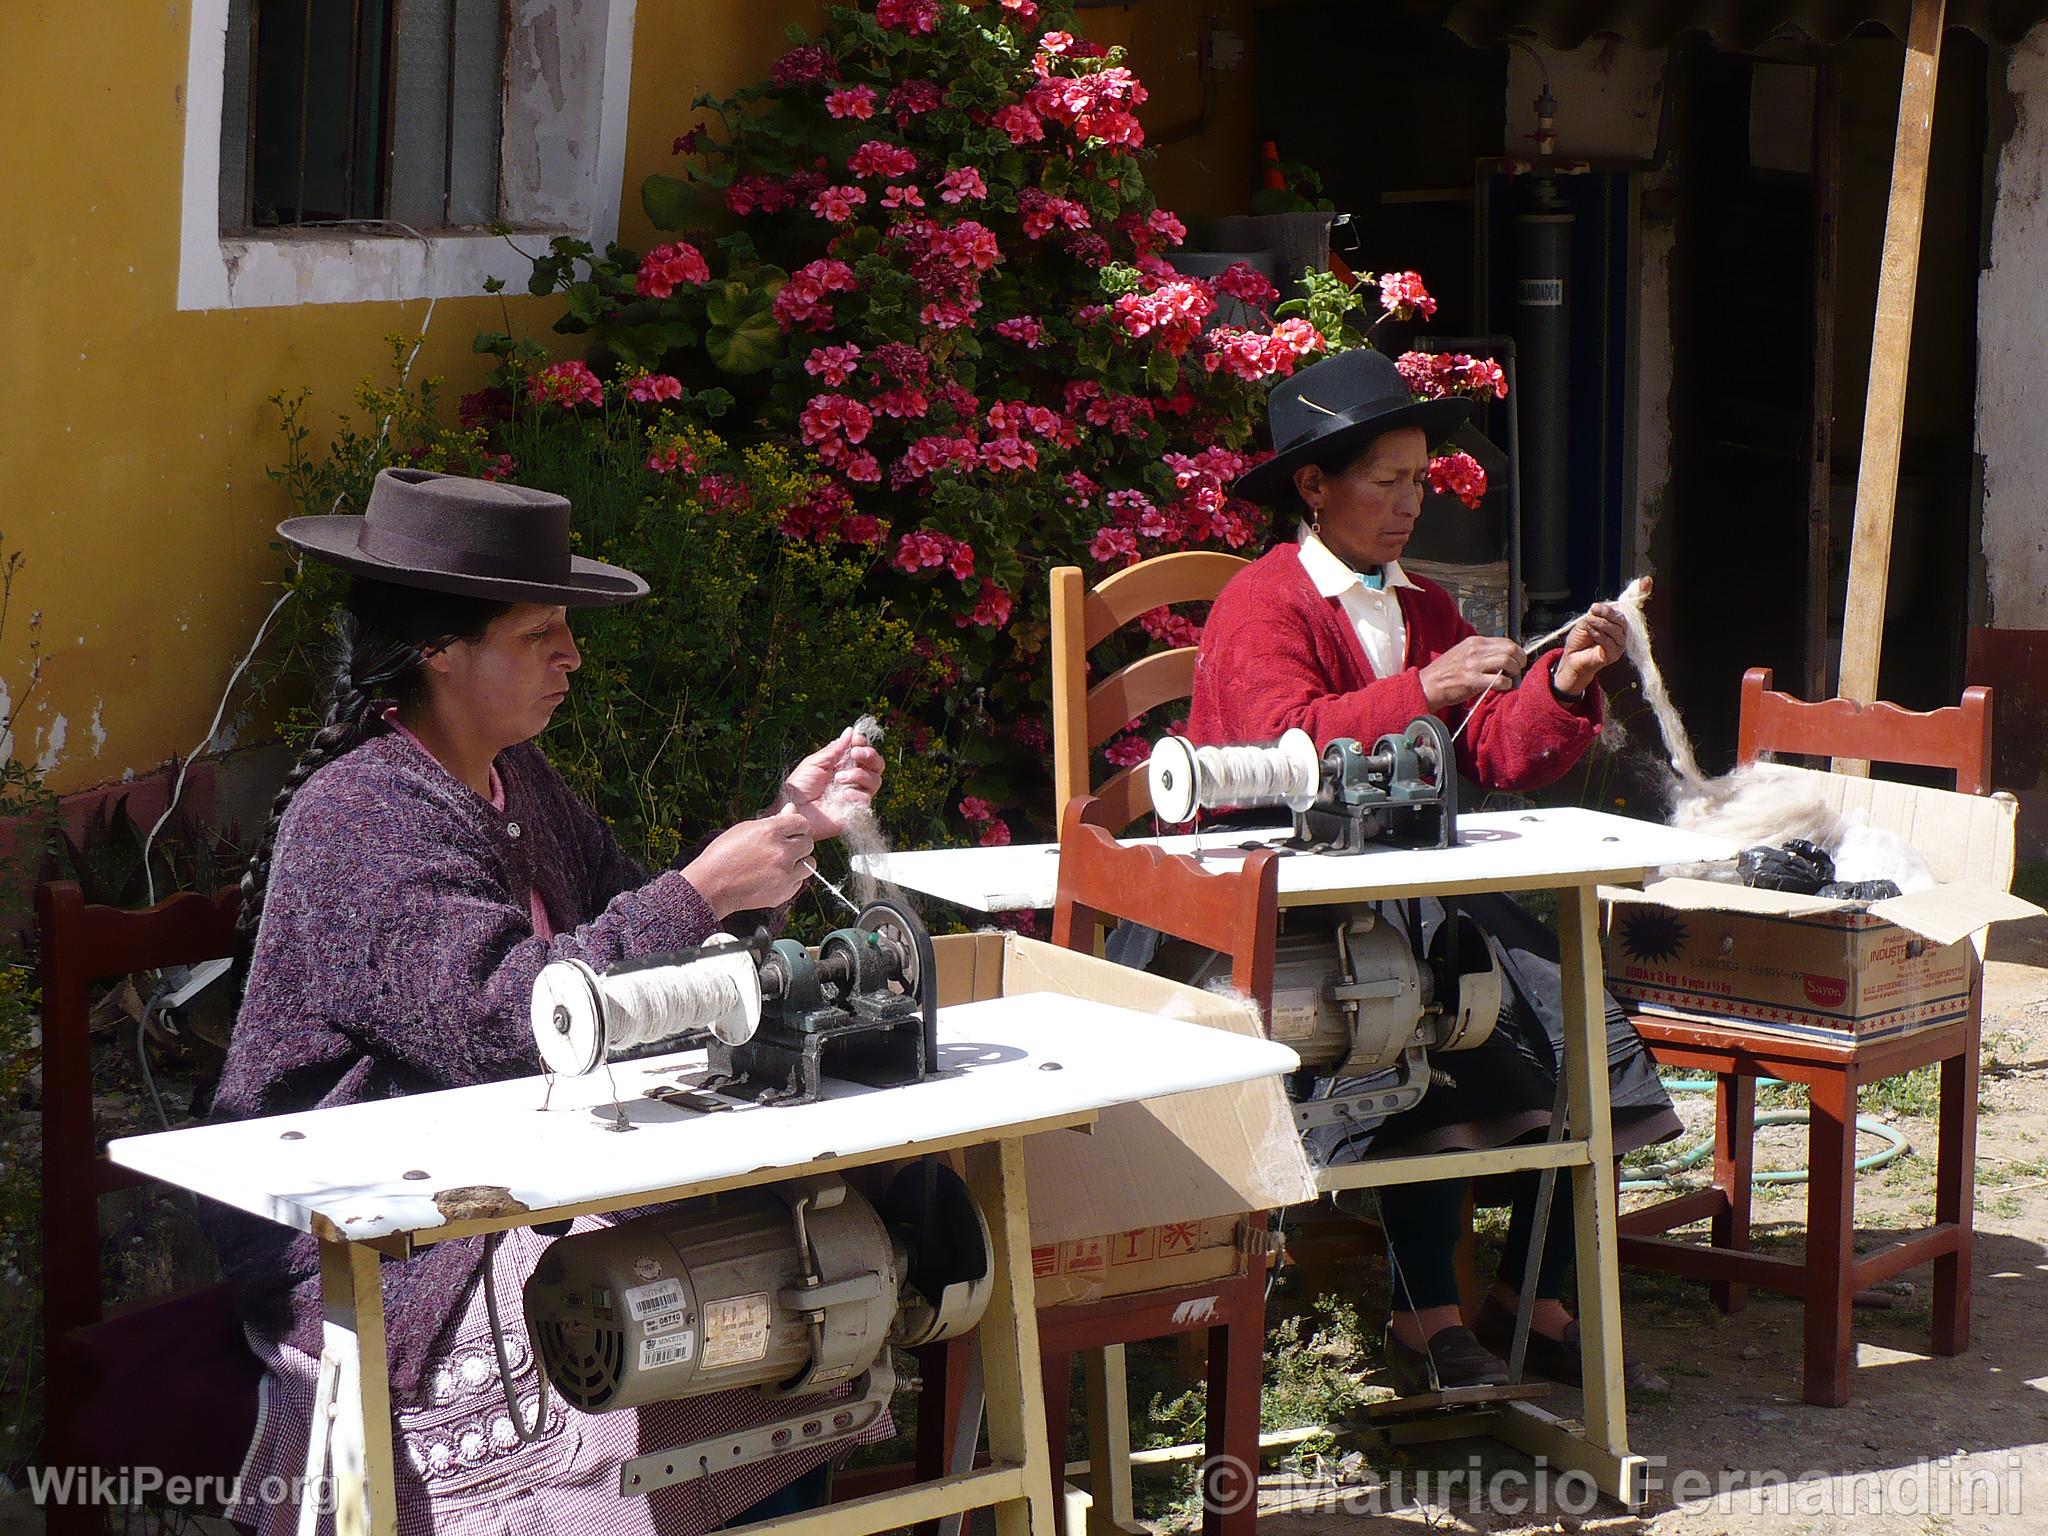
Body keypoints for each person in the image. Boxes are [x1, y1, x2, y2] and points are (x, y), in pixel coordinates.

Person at [207, 468, 885, 1535]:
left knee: (790, 1260)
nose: (571, 657)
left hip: (515, 1169)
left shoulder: (518, 782)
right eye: (540, 634)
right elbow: (503, 1024)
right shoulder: (359, 820)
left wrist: (778, 837)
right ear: (439, 648)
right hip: (380, 1228)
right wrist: (703, 885)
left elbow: (636, 953)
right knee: (660, 1310)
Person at [1188, 348, 1680, 1396]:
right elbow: (1275, 750)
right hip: (1283, 917)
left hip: (1409, 894)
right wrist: (1422, 687)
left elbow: (1496, 749)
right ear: (1311, 488)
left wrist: (1562, 678)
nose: (1410, 503)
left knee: (1573, 1025)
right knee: (1414, 1012)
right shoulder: (1260, 605)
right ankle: (1425, 1316)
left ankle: (1531, 1301)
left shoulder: (1419, 607)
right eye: (1386, 480)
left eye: (1420, 479)